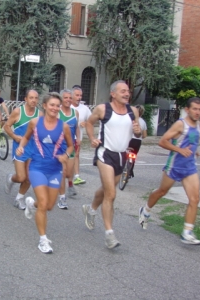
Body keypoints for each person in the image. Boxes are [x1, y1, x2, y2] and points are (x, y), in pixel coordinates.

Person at [82, 80, 141, 249]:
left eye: (128, 91)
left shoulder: (133, 111)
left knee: (108, 190)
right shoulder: (103, 109)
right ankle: (109, 235)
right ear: (113, 94)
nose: (126, 94)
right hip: (105, 153)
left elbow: (139, 133)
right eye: (122, 91)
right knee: (111, 194)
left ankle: (91, 209)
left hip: (122, 155)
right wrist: (93, 139)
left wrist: (138, 132)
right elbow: (89, 123)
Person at [139, 97, 200, 245]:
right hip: (174, 165)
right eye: (194, 109)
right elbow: (163, 141)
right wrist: (180, 150)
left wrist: (195, 151)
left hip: (190, 167)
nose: (197, 112)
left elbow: (191, 141)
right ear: (187, 109)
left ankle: (187, 232)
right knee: (162, 191)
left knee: (195, 199)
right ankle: (146, 210)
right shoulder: (180, 124)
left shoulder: (198, 124)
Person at [16, 92, 74, 254]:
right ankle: (42, 240)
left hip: (55, 170)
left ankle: (30, 204)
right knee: (43, 203)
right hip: (37, 168)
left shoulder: (64, 126)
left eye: (58, 105)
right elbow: (26, 138)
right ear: (45, 106)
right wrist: (21, 146)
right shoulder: (35, 122)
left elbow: (71, 146)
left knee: (48, 206)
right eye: (52, 105)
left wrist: (66, 155)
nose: (55, 108)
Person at [4, 89, 41, 209]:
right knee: (21, 177)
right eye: (31, 97)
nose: (34, 100)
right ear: (25, 99)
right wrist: (15, 136)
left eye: (36, 98)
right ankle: (11, 178)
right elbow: (7, 126)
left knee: (29, 178)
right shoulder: (18, 112)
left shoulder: (40, 114)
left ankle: (19, 198)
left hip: (33, 149)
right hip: (20, 148)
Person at [57, 89, 80, 209]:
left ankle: (57, 184)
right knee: (63, 172)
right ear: (61, 99)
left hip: (71, 146)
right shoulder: (57, 112)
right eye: (65, 97)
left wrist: (79, 138)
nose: (68, 100)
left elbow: (76, 127)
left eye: (70, 98)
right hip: (59, 147)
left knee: (68, 174)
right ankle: (62, 198)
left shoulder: (75, 112)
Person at [71, 85, 91, 185]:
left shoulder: (85, 109)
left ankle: (77, 177)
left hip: (78, 137)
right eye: (77, 95)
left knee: (76, 155)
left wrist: (86, 123)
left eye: (80, 95)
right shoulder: (66, 107)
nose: (79, 97)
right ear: (72, 95)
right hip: (66, 137)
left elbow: (91, 121)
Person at [128, 105, 148, 177]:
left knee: (124, 154)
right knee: (133, 156)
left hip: (129, 139)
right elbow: (145, 135)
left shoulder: (130, 119)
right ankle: (130, 172)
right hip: (137, 141)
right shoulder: (143, 122)